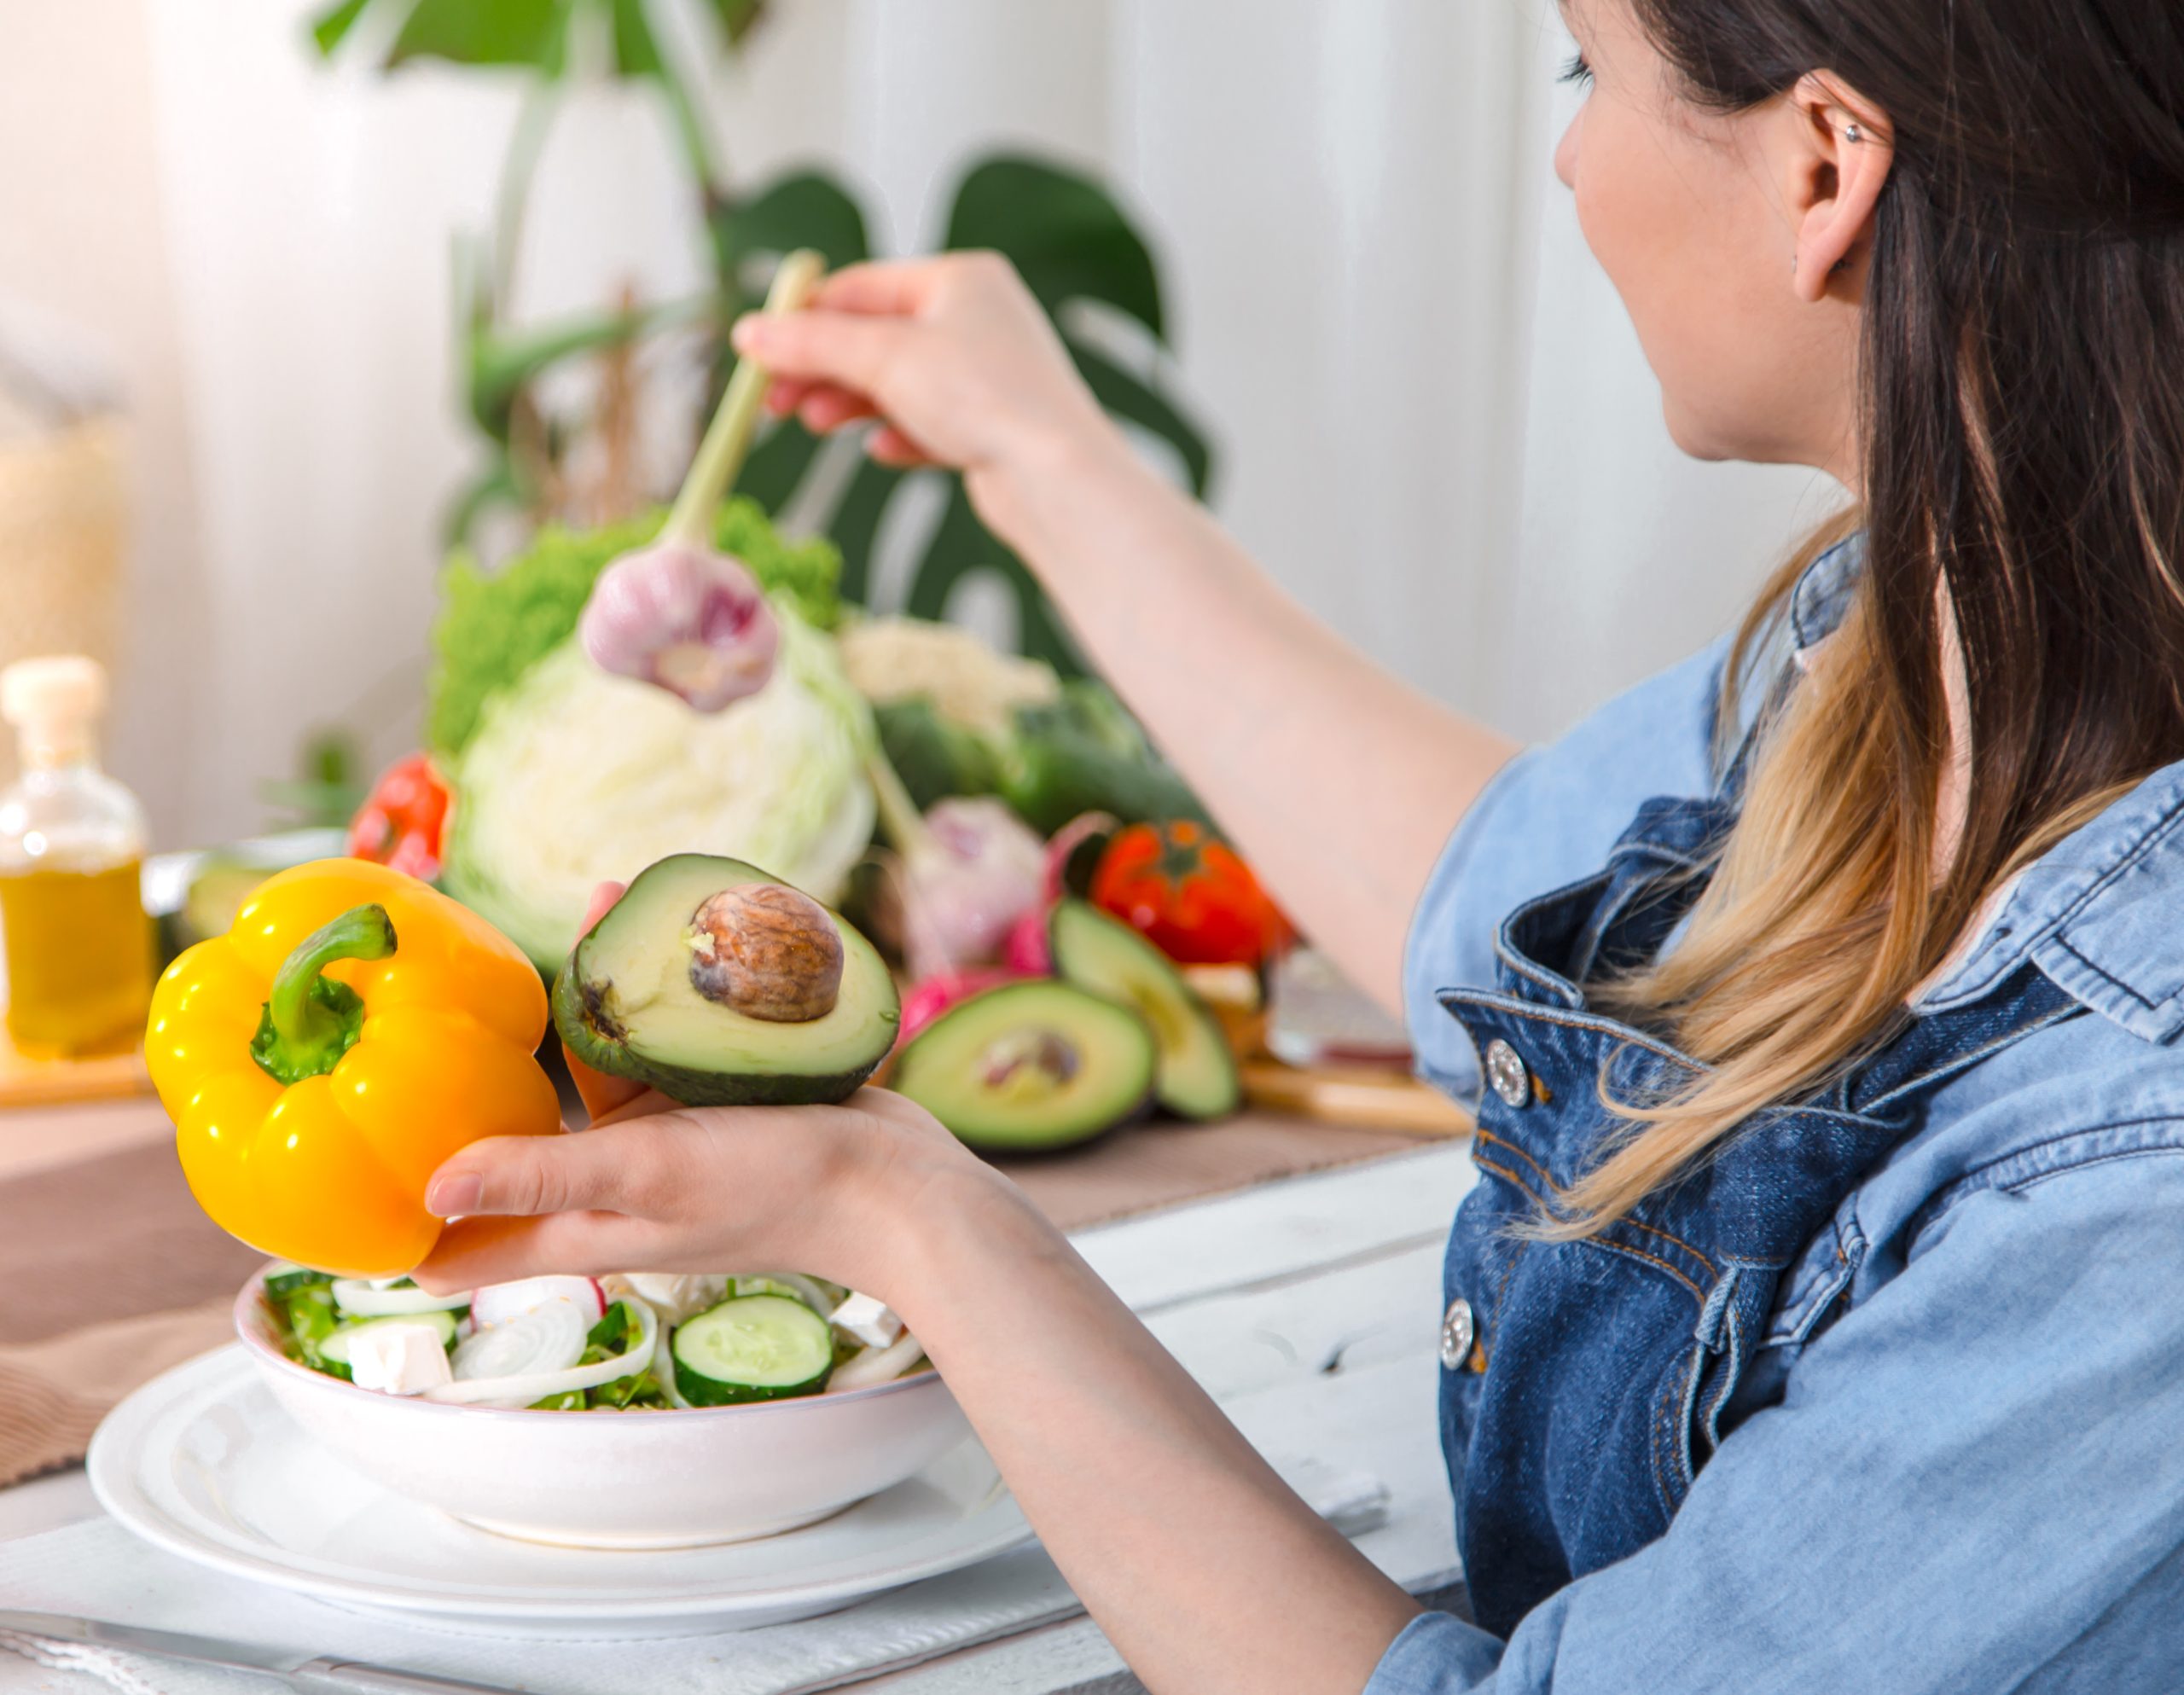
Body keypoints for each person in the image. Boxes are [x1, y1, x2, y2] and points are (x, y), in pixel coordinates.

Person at [414, 0, 2184, 1686]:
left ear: (1820, 165)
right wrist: (1031, 454)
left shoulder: (2132, 1171)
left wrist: (911, 1216)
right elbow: (1484, 889)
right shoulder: (1900, 659)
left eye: (1585, 68)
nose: (1566, 162)